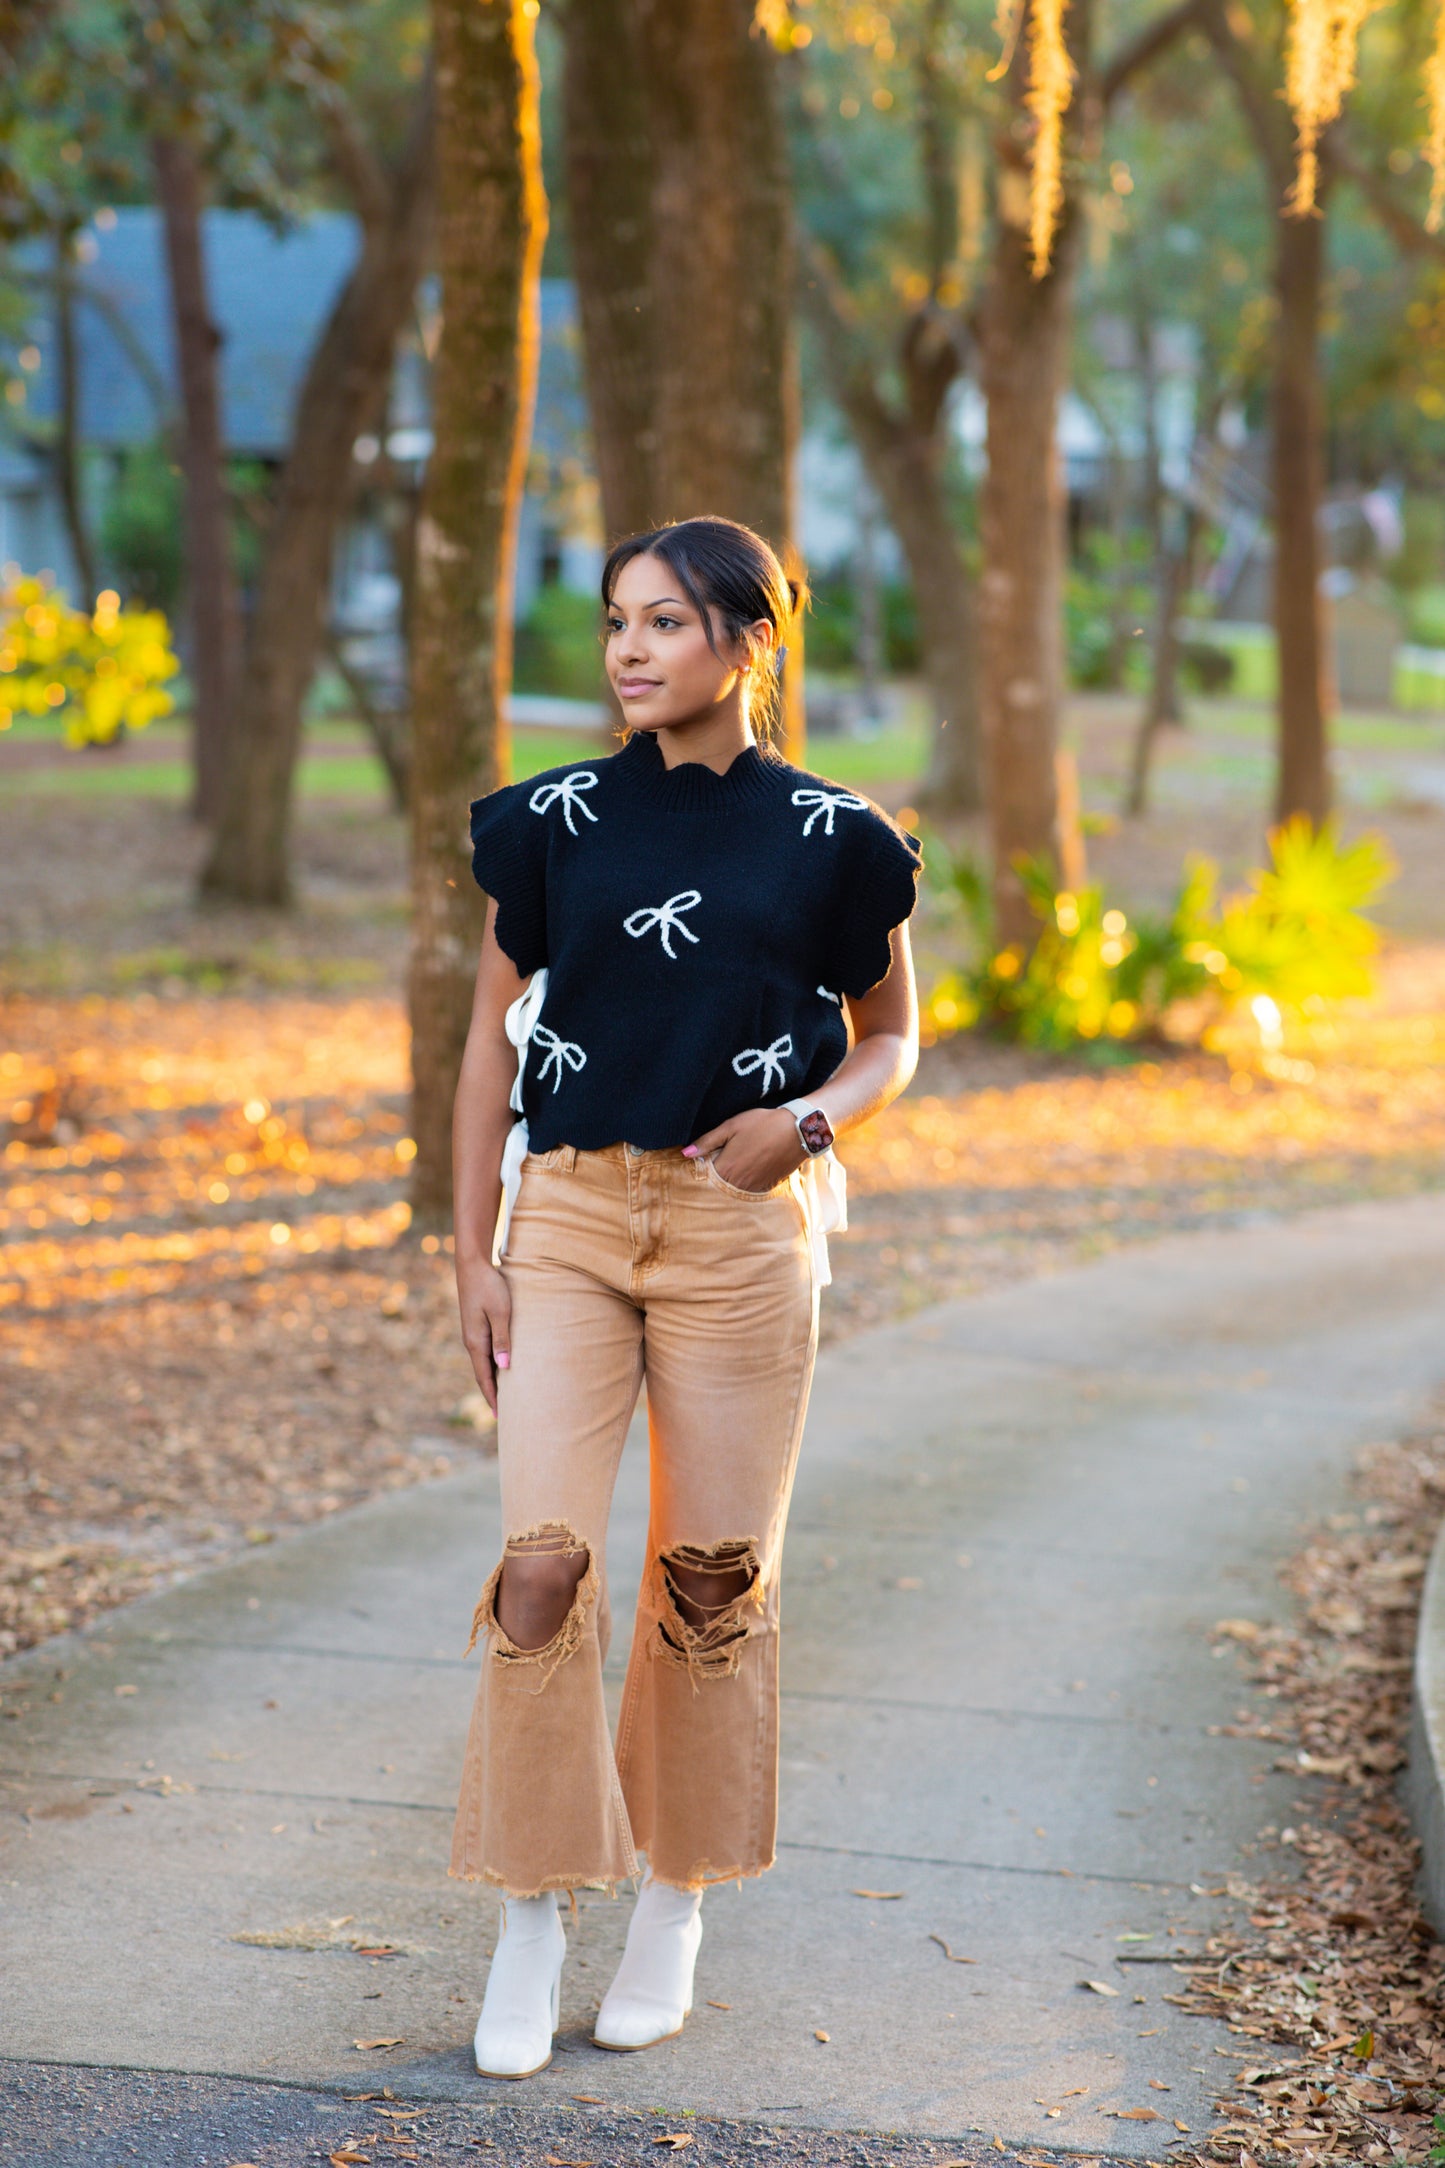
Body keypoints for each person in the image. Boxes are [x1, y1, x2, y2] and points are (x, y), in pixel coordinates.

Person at [448, 515, 921, 2080]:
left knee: (712, 1579)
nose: (629, 651)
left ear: (749, 636)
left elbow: (890, 1039)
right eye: (613, 624)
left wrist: (803, 1127)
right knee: (539, 1563)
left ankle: (671, 1902)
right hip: (570, 1215)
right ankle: (532, 1911)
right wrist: (471, 1250)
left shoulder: (839, 838)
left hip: (736, 1233)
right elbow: (486, 1050)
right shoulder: (556, 822)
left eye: (662, 621)